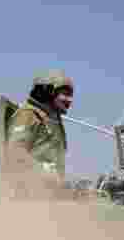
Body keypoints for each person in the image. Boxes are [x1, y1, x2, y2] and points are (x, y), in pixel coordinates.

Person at [4, 69, 73, 199]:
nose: (69, 100)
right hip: (27, 195)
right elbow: (15, 153)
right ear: (48, 92)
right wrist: (45, 172)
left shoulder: (53, 121)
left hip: (49, 194)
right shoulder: (28, 115)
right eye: (65, 94)